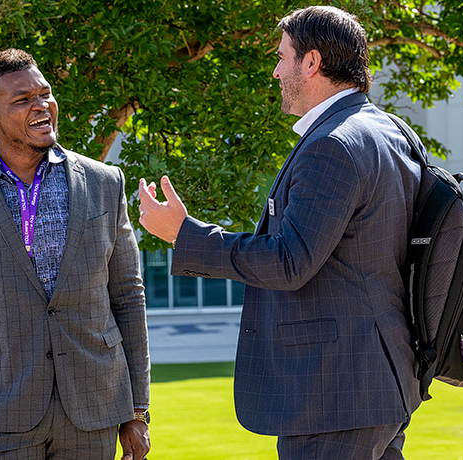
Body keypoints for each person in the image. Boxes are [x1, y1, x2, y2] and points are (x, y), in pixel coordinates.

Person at [137, 6, 422, 459]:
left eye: (282, 56)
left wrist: (185, 234)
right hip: (378, 386)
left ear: (311, 63)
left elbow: (289, 261)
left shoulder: (333, 144)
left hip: (333, 395)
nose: (274, 71)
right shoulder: (390, 131)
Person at [0, 48, 151, 460]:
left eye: (45, 94)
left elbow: (128, 299)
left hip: (93, 410)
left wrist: (137, 410)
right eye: (22, 100)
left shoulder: (104, 183)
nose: (41, 106)